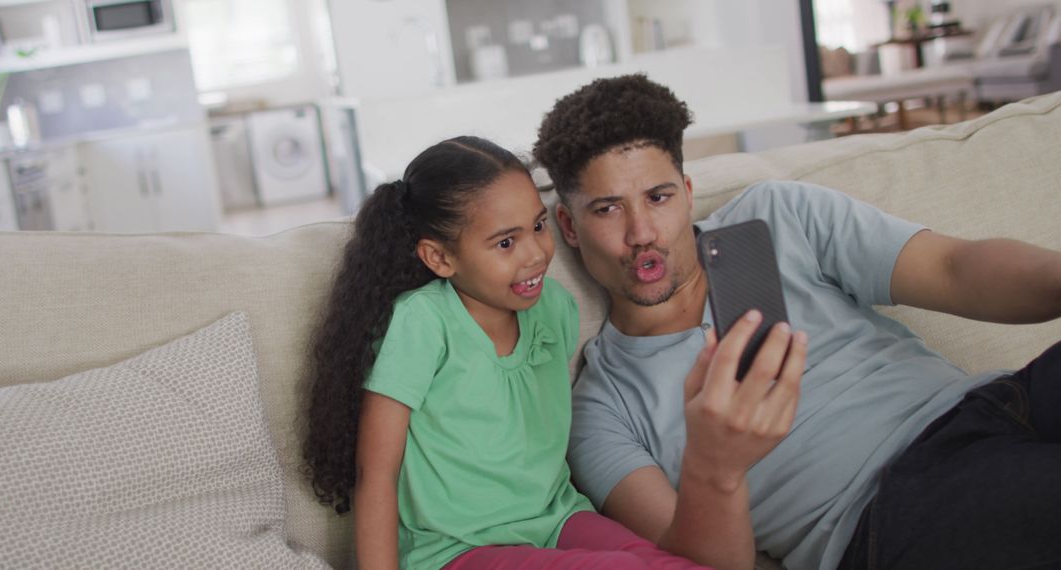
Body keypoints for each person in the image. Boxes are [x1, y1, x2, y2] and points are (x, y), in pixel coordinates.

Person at [531, 74, 1061, 570]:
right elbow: (700, 563)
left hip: (1000, 401)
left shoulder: (775, 217)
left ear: (688, 192)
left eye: (658, 197)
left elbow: (953, 268)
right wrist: (716, 467)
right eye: (607, 209)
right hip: (895, 506)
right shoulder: (602, 411)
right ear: (568, 227)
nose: (642, 231)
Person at [302, 136, 710, 569]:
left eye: (537, 227)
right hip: (457, 549)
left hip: (556, 520)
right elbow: (376, 475)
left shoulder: (555, 308)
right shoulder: (422, 323)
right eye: (505, 243)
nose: (536, 254)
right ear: (439, 257)